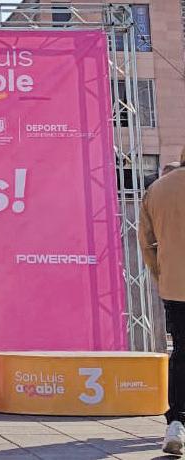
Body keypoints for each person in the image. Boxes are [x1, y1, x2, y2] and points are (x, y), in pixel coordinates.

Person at [138, 149, 185, 455]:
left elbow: (146, 243)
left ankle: (177, 423)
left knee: (181, 352)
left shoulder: (158, 189)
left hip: (177, 287)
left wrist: (163, 276)